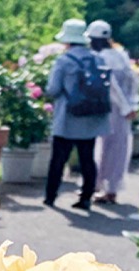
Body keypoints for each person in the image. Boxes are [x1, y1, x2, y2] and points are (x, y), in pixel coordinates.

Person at [43, 18, 111, 211]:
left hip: (68, 117)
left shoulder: (64, 61)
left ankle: (50, 197)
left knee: (58, 158)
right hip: (91, 117)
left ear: (67, 40)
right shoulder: (97, 58)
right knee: (87, 158)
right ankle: (86, 198)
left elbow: (54, 89)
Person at [87, 20, 139, 204]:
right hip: (123, 111)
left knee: (100, 148)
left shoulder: (98, 57)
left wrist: (125, 106)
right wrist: (132, 105)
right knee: (120, 148)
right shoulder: (121, 55)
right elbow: (134, 81)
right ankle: (112, 188)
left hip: (106, 108)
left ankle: (97, 185)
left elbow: (111, 87)